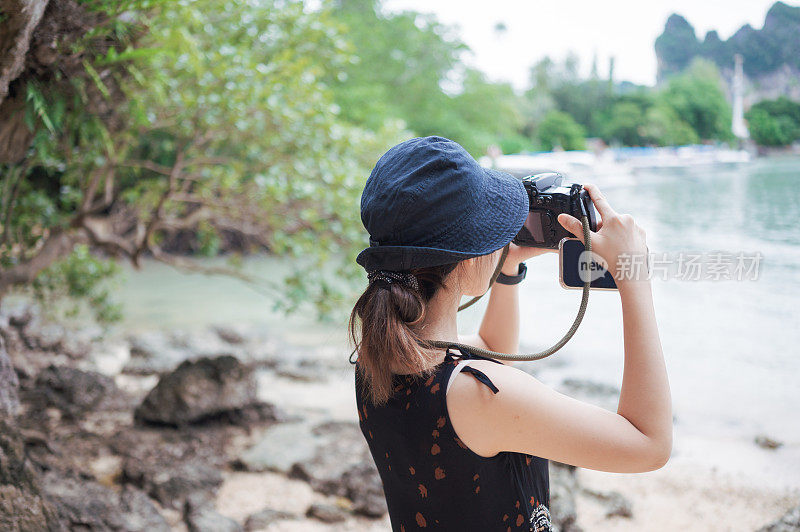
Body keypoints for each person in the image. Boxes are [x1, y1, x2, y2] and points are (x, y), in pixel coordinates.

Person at [349, 136, 672, 531]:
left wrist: (506, 270)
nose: (501, 236)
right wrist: (633, 275)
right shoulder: (483, 395)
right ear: (467, 259)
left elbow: (489, 353)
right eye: (490, 230)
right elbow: (648, 444)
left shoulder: (378, 355)